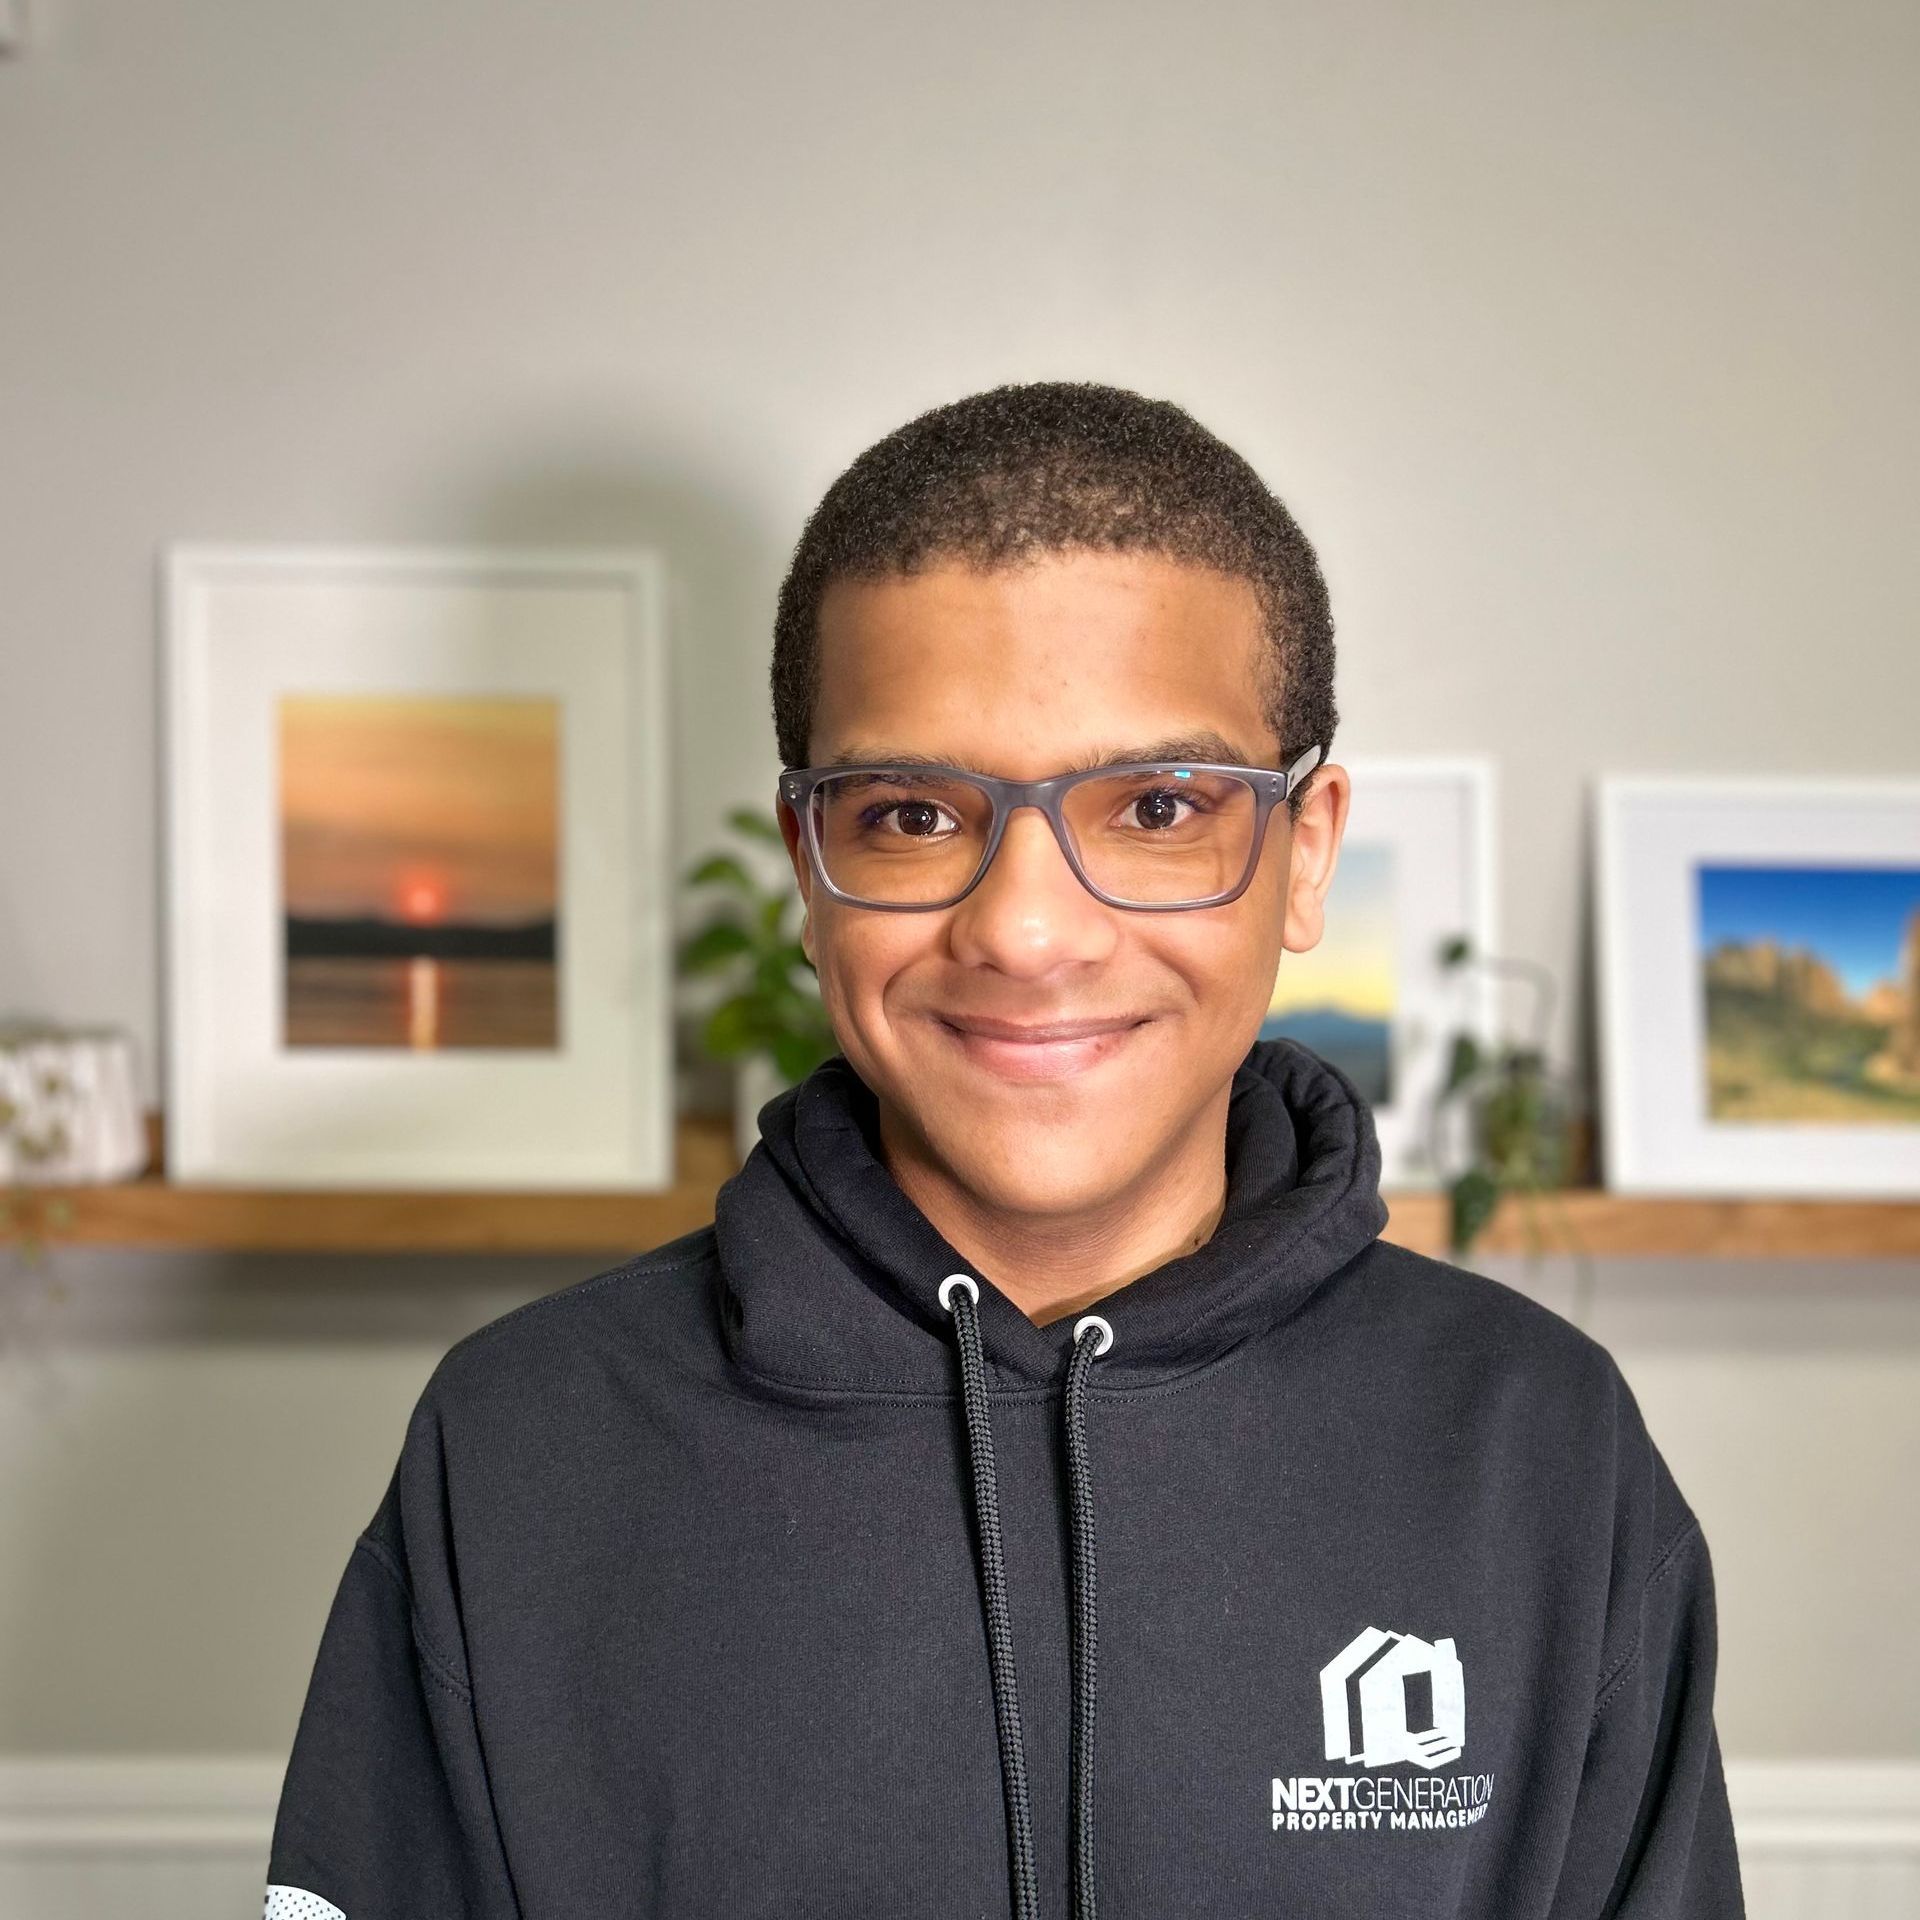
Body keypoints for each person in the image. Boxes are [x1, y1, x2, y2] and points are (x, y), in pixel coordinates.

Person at [262, 382, 1745, 1919]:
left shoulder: (1536, 1449)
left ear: (1305, 858)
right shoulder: (524, 1448)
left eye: (1159, 804)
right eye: (911, 814)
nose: (1027, 931)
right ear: (806, 865)